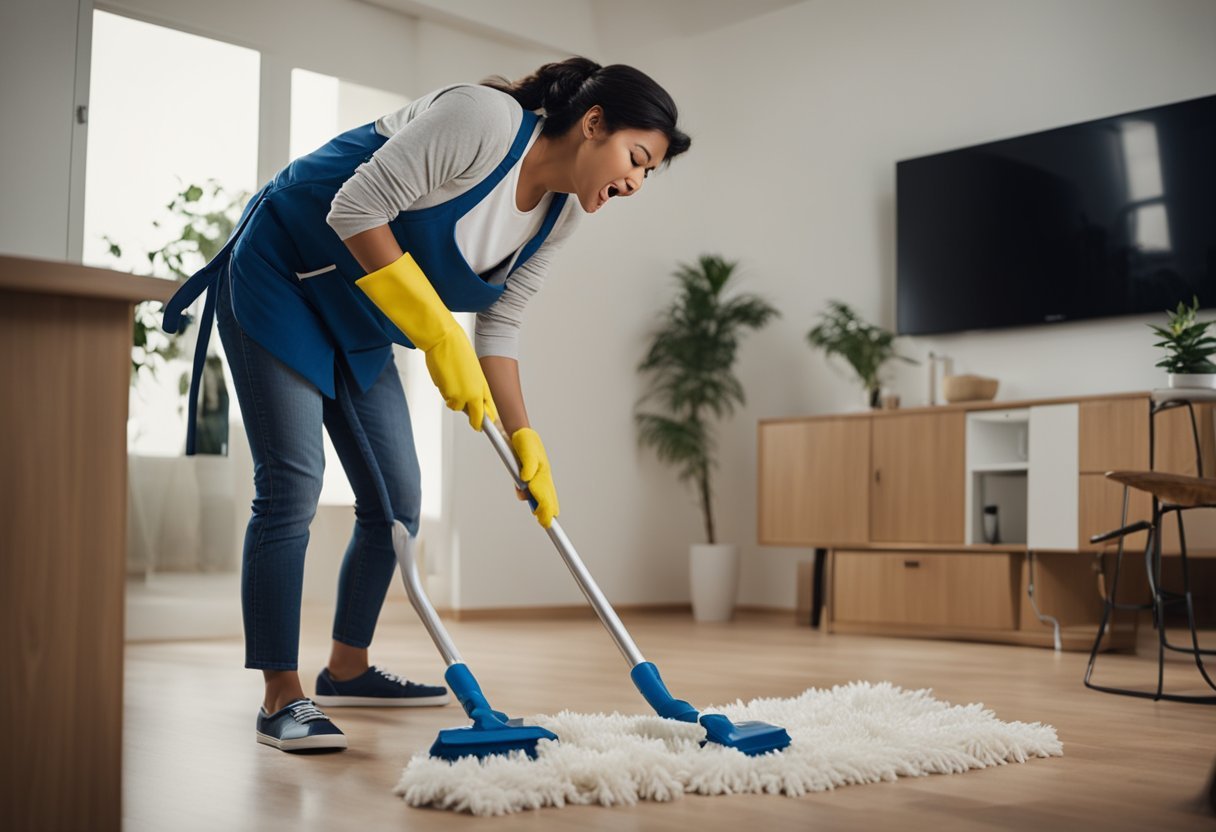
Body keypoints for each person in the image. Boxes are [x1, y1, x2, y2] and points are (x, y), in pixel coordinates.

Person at [163, 56, 691, 753]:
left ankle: (347, 667)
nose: (635, 180)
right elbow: (353, 207)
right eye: (637, 156)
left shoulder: (558, 220)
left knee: (398, 503)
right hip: (278, 276)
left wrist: (526, 439)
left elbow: (501, 327)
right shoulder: (484, 121)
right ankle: (280, 695)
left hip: (364, 318)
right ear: (593, 124)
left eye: (648, 173)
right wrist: (438, 331)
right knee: (293, 484)